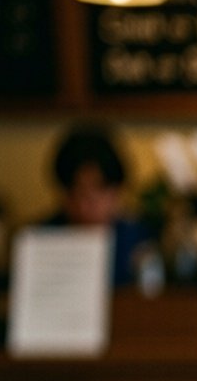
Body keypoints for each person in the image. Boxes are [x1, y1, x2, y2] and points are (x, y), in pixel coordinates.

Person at [45, 123, 149, 286]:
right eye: (74, 195)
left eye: (94, 196)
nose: (83, 207)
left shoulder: (139, 241)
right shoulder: (42, 239)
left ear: (116, 192)